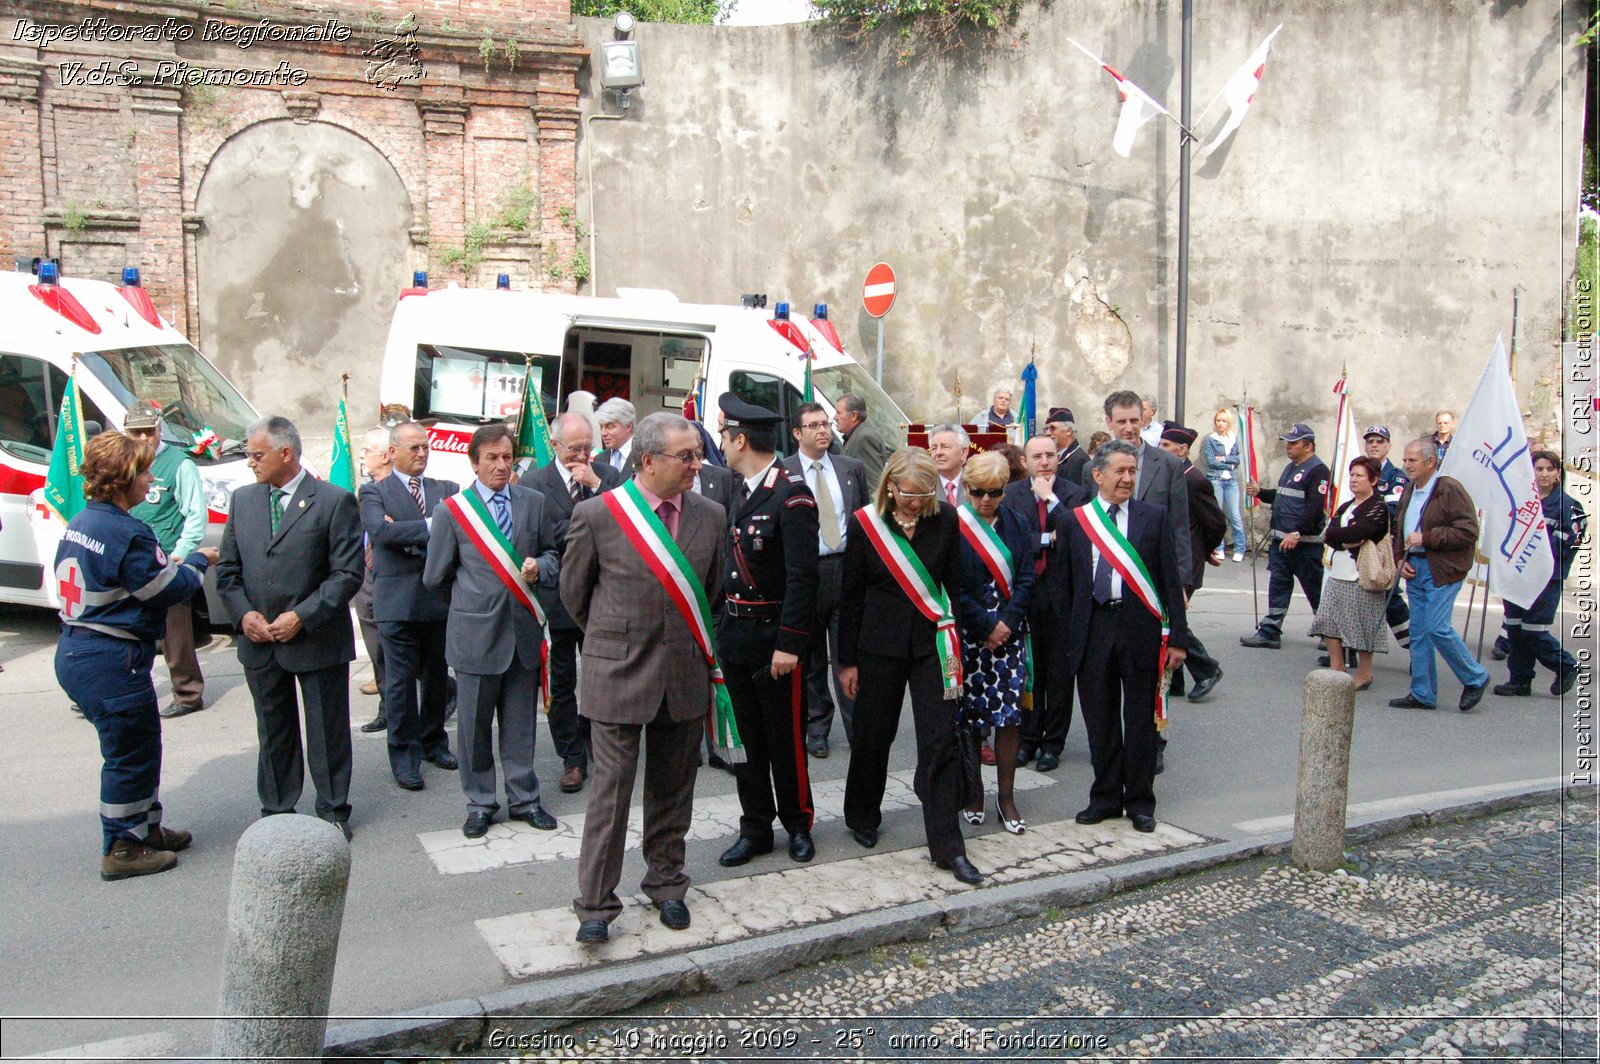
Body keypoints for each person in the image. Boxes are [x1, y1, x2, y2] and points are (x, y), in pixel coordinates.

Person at [561, 412, 726, 943]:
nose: (697, 465)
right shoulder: (599, 515)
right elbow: (574, 596)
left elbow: (713, 595)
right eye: (687, 456)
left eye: (699, 454)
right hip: (617, 674)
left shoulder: (712, 515)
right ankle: (594, 904)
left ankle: (667, 884)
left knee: (674, 789)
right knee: (609, 793)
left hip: (682, 674)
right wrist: (616, 640)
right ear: (648, 460)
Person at [54, 431, 218, 879]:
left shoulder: (84, 521)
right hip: (109, 659)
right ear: (124, 478)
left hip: (79, 652)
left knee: (140, 745)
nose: (151, 480)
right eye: (144, 472)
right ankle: (123, 847)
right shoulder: (128, 533)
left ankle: (146, 829)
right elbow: (167, 590)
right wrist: (199, 562)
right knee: (129, 755)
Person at [839, 448, 982, 885]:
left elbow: (955, 584)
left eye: (924, 495)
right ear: (890, 487)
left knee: (939, 741)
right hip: (878, 647)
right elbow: (850, 596)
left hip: (931, 646)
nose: (916, 503)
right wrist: (846, 661)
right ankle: (862, 816)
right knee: (872, 736)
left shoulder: (946, 520)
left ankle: (947, 845)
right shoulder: (867, 524)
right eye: (908, 495)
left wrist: (966, 640)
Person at [216, 416, 363, 840]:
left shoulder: (334, 501)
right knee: (273, 727)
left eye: (256, 454)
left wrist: (302, 615)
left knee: (326, 728)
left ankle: (333, 807)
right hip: (260, 639)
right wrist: (244, 615)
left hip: (315, 636)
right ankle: (278, 806)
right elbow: (228, 569)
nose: (249, 463)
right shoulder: (243, 500)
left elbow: (346, 573)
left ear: (286, 453)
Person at [423, 423, 561, 836]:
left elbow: (554, 553)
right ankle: (480, 802)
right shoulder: (453, 511)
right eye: (492, 459)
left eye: (507, 458)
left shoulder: (533, 503)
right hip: (475, 636)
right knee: (474, 727)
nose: (501, 466)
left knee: (520, 723)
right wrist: (472, 606)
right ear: (474, 462)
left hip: (522, 631)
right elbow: (436, 577)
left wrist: (541, 568)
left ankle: (524, 799)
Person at [713, 394, 820, 868]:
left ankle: (798, 824)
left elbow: (803, 576)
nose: (720, 444)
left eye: (723, 435)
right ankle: (755, 827)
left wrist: (790, 644)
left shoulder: (791, 493)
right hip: (737, 635)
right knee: (746, 743)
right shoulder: (740, 488)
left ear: (740, 439)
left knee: (785, 740)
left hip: (775, 639)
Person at [1064, 440, 1190, 833]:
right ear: (1097, 475)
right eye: (1119, 471)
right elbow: (1063, 587)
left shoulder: (1153, 517)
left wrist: (1179, 640)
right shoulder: (1074, 521)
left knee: (1140, 720)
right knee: (1099, 719)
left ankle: (1139, 801)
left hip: (1140, 628)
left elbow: (1171, 581)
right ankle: (1104, 798)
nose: (1127, 478)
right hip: (1094, 628)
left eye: (1132, 471)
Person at [520, 413, 624, 793]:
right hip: (558, 597)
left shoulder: (608, 478)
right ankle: (571, 757)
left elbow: (625, 524)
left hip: (604, 598)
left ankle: (598, 739)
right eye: (573, 448)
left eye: (587, 448)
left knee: (604, 677)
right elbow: (540, 536)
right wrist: (585, 529)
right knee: (561, 682)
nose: (581, 455)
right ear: (556, 445)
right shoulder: (534, 483)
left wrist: (596, 487)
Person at [360, 421, 459, 791]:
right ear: (392, 452)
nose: (421, 454)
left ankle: (435, 742)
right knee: (400, 684)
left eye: (425, 447)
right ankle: (404, 754)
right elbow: (380, 533)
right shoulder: (373, 492)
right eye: (413, 448)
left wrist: (406, 531)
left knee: (435, 678)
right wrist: (432, 525)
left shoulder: (446, 489)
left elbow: (455, 531)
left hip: (437, 600)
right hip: (397, 603)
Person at [953, 451, 1036, 834]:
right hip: (970, 636)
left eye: (994, 492)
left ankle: (1006, 796)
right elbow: (949, 585)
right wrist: (985, 624)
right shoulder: (954, 525)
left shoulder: (1017, 523)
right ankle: (973, 793)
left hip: (1009, 636)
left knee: (1009, 718)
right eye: (978, 491)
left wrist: (1007, 623)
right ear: (966, 487)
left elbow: (1026, 580)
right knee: (968, 719)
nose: (986, 500)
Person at [783, 401, 868, 759]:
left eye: (826, 424)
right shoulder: (784, 472)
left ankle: (858, 729)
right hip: (808, 573)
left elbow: (862, 519)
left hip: (845, 569)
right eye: (814, 425)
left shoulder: (852, 468)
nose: (823, 431)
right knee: (812, 655)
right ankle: (817, 726)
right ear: (797, 433)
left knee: (848, 653)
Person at [1002, 434, 1088, 771]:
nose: (1045, 462)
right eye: (1036, 456)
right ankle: (1028, 738)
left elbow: (1076, 535)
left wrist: (1051, 501)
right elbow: (1014, 540)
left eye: (1050, 455)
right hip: (1026, 593)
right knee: (1029, 670)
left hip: (1061, 595)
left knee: (1059, 673)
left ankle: (1053, 742)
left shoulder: (1072, 494)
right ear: (1024, 462)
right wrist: (1046, 538)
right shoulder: (1012, 494)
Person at [121, 400, 210, 719]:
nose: (144, 439)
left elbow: (195, 517)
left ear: (160, 429)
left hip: (166, 558)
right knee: (126, 628)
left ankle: (187, 693)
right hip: (130, 560)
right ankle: (120, 686)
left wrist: (180, 556)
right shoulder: (123, 463)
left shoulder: (178, 464)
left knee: (176, 634)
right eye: (136, 433)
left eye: (149, 432)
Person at [1387, 438, 1490, 712]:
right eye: (1405, 460)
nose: (1406, 465)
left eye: (1412, 460)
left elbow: (1468, 531)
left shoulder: (1448, 489)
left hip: (1442, 567)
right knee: (1419, 631)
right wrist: (1399, 560)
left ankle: (1475, 677)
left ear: (1430, 462)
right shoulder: (1409, 490)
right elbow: (1399, 531)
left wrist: (1427, 538)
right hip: (1414, 566)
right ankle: (1422, 692)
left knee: (1436, 626)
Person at [1494, 450, 1587, 698]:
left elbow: (1570, 543)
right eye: (1539, 469)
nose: (1544, 474)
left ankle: (1566, 665)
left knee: (1533, 631)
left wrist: (1537, 552)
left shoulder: (1569, 506)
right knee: (1514, 628)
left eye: (1549, 469)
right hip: (1517, 575)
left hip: (1546, 578)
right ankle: (1520, 680)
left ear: (1558, 473)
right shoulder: (1522, 501)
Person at [1084, 391, 1192, 586]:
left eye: (1134, 420)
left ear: (1143, 420)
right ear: (1109, 422)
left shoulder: (1169, 466)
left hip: (1151, 575)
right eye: (1121, 421)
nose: (1129, 428)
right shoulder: (1091, 468)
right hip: (1106, 572)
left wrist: (1181, 583)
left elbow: (1179, 527)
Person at [1240, 423, 1328, 650]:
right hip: (1281, 543)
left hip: (1304, 545)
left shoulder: (1318, 471)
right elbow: (1282, 497)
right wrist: (1261, 493)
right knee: (1278, 585)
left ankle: (1330, 634)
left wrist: (1297, 533)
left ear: (1309, 446)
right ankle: (1270, 630)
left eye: (1294, 443)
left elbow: (1315, 509)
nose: (1288, 447)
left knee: (1315, 590)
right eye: (1288, 442)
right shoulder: (1291, 468)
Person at [1308, 456, 1391, 691]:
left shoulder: (1378, 507)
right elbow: (1330, 532)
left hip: (1362, 574)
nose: (1354, 480)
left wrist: (1343, 536)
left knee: (1362, 623)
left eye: (1360, 475)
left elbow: (1363, 532)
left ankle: (1364, 673)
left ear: (1373, 480)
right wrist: (1345, 536)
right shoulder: (1347, 505)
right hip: (1338, 571)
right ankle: (1338, 667)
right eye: (1352, 475)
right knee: (1328, 620)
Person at [1159, 425, 1226, 706]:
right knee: (1167, 616)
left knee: (1172, 619)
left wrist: (1205, 549)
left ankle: (1206, 669)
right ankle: (1176, 680)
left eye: (1166, 446)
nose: (1160, 450)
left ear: (1182, 450)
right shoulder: (1174, 475)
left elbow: (1216, 522)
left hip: (1186, 562)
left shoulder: (1192, 479)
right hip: (1174, 558)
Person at [353, 426, 392, 729]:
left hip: (392, 581)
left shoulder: (399, 491)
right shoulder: (365, 491)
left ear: (384, 454)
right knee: (377, 649)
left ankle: (445, 690)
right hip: (366, 579)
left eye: (366, 450)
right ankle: (387, 706)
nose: (362, 456)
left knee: (399, 654)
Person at [1202, 408, 1248, 562]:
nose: (1220, 424)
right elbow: (1211, 462)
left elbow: (1237, 459)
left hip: (1232, 481)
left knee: (1235, 516)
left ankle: (1240, 548)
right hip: (1216, 480)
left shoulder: (1234, 438)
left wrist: (1225, 458)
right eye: (1218, 420)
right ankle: (1218, 547)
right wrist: (1228, 465)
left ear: (1229, 423)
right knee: (1217, 515)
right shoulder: (1210, 439)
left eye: (1224, 421)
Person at [834, 392, 895, 490]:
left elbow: (872, 487)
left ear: (854, 416)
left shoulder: (865, 438)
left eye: (839, 413)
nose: (835, 417)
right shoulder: (856, 435)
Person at [928, 424, 970, 508]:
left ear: (964, 452)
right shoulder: (925, 485)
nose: (938, 453)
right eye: (934, 448)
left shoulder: (976, 483)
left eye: (945, 447)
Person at [595, 397, 638, 478]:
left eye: (609, 426)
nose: (603, 433)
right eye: (601, 427)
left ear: (628, 426)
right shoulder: (599, 459)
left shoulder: (644, 457)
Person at [1046, 408, 1088, 484]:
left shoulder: (1080, 460)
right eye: (1046, 429)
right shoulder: (1057, 457)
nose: (1048, 433)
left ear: (1069, 431)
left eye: (1053, 428)